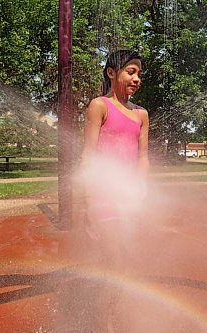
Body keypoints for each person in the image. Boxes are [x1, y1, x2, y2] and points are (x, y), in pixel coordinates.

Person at [78, 49, 149, 332]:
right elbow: (88, 156)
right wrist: (87, 205)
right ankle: (102, 324)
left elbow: (143, 158)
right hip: (104, 197)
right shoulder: (99, 106)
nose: (136, 78)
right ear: (111, 73)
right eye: (130, 72)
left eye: (139, 74)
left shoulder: (142, 114)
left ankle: (104, 311)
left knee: (125, 262)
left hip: (128, 199)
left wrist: (142, 189)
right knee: (116, 261)